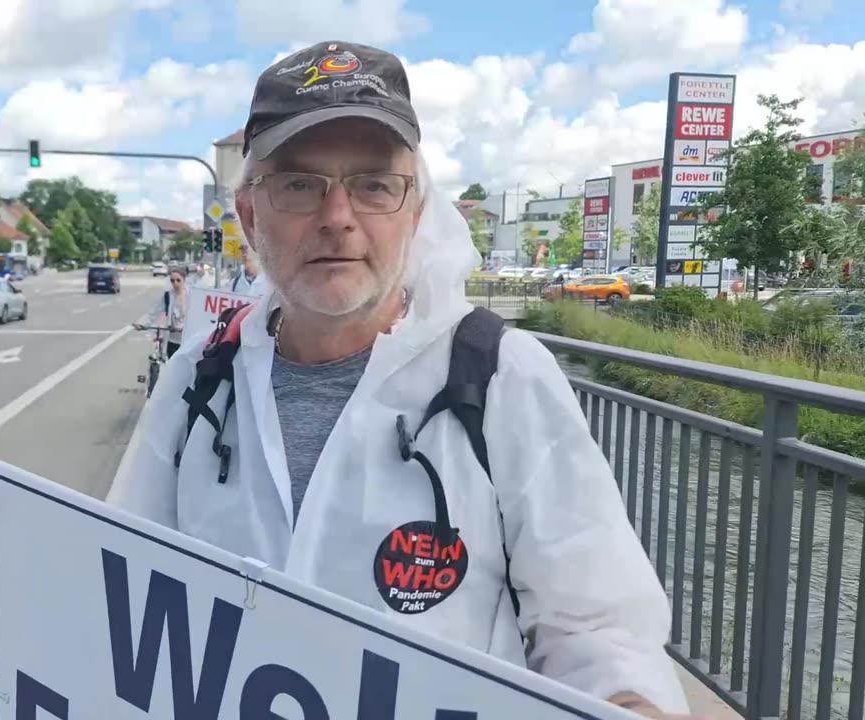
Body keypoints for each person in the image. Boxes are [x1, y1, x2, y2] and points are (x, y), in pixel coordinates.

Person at [109, 40, 694, 718]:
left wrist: (631, 703)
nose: (337, 216)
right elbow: (120, 584)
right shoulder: (198, 379)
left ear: (413, 213)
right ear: (248, 216)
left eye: (374, 184)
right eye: (299, 184)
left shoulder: (500, 376)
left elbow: (598, 632)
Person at [134, 266, 189, 357]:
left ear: (184, 280)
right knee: (173, 367)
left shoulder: (192, 296)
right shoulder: (168, 296)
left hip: (187, 340)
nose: (175, 283)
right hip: (172, 340)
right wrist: (141, 323)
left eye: (178, 280)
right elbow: (153, 312)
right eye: (172, 280)